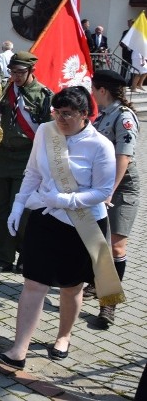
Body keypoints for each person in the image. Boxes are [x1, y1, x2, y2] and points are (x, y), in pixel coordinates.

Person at [0, 86, 116, 370]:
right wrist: (18, 204)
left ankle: (63, 336)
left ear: (85, 115)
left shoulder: (100, 146)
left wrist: (66, 199)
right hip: (46, 219)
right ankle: (18, 350)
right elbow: (33, 171)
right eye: (57, 112)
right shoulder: (46, 132)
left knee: (71, 287)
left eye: (67, 114)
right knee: (34, 283)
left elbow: (103, 190)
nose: (60, 119)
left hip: (81, 225)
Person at [0, 52, 53, 275]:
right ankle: (2, 257)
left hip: (27, 158)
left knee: (24, 211)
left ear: (31, 71)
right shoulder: (3, 90)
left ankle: (26, 255)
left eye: (20, 72)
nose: (15, 76)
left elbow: (48, 131)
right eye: (12, 72)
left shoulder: (44, 95)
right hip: (1, 155)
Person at [88, 70, 140, 329]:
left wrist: (109, 191)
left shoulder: (123, 117)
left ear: (102, 91)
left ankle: (108, 303)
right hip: (101, 185)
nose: (91, 93)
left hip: (122, 188)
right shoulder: (101, 116)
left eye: (93, 88)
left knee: (116, 246)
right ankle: (95, 282)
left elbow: (124, 157)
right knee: (96, 242)